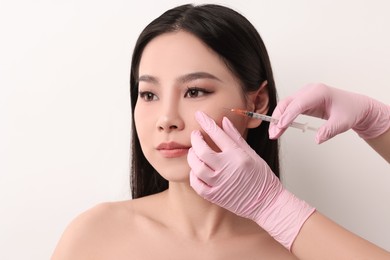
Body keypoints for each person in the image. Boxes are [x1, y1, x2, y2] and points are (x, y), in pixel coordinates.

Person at [51, 4, 390, 260]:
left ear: (256, 102)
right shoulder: (94, 237)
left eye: (195, 91)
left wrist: (380, 124)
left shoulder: (303, 248)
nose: (166, 119)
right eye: (149, 95)